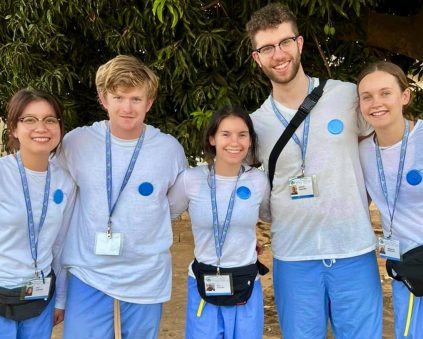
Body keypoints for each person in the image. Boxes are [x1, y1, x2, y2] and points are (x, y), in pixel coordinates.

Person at [246, 4, 382, 338]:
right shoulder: (254, 125)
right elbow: (240, 185)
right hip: (294, 258)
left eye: (285, 42)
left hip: (354, 251)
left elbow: (380, 146)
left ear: (300, 43)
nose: (278, 54)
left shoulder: (347, 95)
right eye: (267, 48)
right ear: (257, 58)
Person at [57, 55, 187, 338]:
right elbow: (59, 202)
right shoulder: (76, 143)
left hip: (145, 277)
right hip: (88, 273)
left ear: (149, 103)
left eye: (136, 99)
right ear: (104, 99)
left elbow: (174, 205)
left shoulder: (169, 149)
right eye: (118, 97)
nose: (127, 108)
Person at [168, 106, 271, 339]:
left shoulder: (258, 181)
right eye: (226, 134)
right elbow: (164, 215)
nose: (234, 142)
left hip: (246, 284)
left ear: (250, 140)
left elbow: (268, 215)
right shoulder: (190, 180)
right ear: (212, 138)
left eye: (242, 134)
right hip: (203, 282)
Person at [0, 89, 76, 338]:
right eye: (29, 120)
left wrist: (61, 299)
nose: (41, 128)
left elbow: (60, 244)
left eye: (50, 120)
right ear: (13, 128)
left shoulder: (65, 182)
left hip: (40, 298)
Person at [357, 61, 423, 338]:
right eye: (367, 96)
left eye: (386, 93)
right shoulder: (362, 152)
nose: (376, 103)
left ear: (404, 96)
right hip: (406, 269)